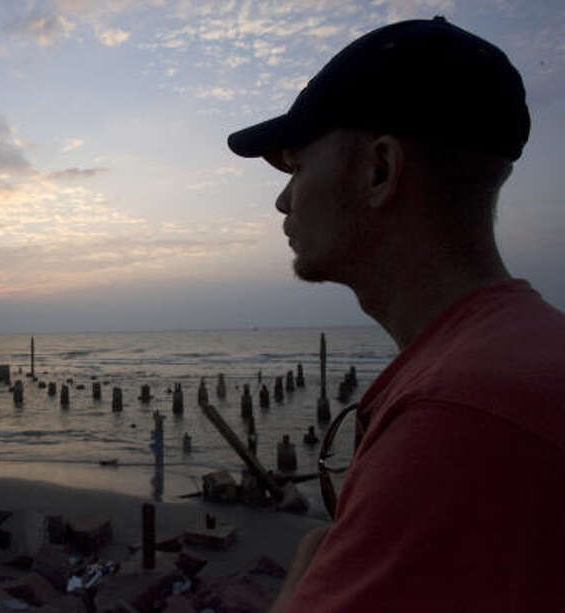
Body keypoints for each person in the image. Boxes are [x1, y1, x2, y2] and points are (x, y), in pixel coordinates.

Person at [228, 17, 565, 612]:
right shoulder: (527, 352)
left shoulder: (459, 415)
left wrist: (305, 578)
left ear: (379, 170)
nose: (282, 200)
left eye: (298, 165)